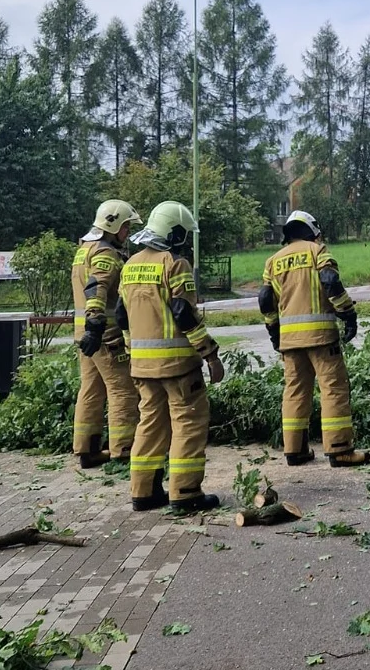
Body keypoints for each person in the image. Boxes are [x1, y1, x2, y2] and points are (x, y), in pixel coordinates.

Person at [114, 201, 225, 513]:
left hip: (143, 367)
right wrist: (210, 355)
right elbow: (184, 314)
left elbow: (122, 316)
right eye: (184, 234)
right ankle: (185, 492)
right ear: (174, 233)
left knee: (150, 425)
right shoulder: (175, 264)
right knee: (188, 424)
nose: (185, 240)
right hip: (178, 368)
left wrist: (130, 352)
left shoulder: (130, 264)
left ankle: (144, 492)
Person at [259, 210, 370, 467]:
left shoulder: (272, 261)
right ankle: (339, 449)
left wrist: (274, 332)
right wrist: (348, 314)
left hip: (290, 340)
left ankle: (294, 450)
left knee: (295, 392)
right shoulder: (316, 251)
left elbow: (265, 299)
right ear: (312, 231)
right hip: (321, 337)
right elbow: (330, 280)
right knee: (333, 389)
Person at [71, 199, 142, 469]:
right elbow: (97, 287)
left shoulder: (84, 250)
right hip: (105, 334)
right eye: (125, 227)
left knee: (91, 389)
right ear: (112, 225)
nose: (128, 233)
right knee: (122, 390)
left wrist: (88, 329)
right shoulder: (106, 253)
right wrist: (96, 323)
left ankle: (86, 450)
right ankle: (123, 452)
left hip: (85, 336)